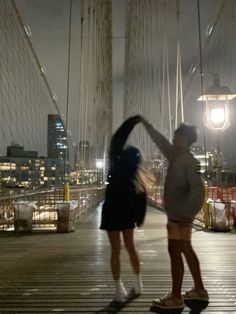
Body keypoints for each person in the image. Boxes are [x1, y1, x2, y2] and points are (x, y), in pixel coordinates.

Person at [141, 119, 208, 309]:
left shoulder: (189, 162)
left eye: (176, 137)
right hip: (178, 216)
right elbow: (161, 143)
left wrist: (187, 214)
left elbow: (198, 190)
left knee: (175, 252)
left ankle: (176, 297)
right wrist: (149, 126)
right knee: (185, 249)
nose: (172, 139)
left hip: (180, 218)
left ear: (185, 140)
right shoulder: (176, 156)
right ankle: (199, 290)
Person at [100, 115, 149, 303]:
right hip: (127, 211)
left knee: (115, 250)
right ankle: (138, 284)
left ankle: (118, 290)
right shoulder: (135, 179)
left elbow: (117, 138)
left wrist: (133, 121)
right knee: (130, 247)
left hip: (112, 209)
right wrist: (139, 219)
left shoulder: (115, 162)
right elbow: (141, 201)